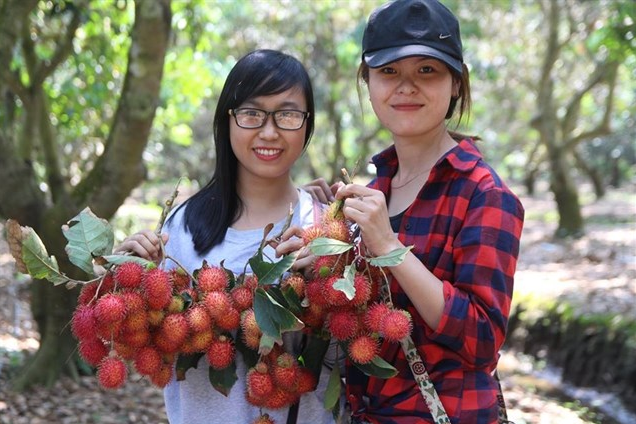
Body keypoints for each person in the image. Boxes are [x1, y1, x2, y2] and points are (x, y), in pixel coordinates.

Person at [324, 1, 525, 423]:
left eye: (427, 71)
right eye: (389, 72)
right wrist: (315, 261)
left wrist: (389, 246)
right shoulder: (374, 189)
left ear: (456, 84)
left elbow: (482, 339)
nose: (406, 86)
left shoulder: (485, 194)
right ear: (369, 82)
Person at [115, 49, 338, 424]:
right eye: (252, 113)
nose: (269, 131)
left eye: (287, 114)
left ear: (307, 124)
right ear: (228, 120)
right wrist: (130, 292)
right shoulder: (180, 228)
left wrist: (326, 284)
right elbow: (147, 348)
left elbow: (349, 362)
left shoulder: (326, 228)